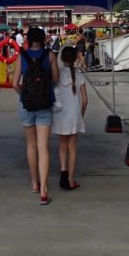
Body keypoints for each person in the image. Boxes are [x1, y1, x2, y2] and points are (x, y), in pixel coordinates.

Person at [13, 27, 59, 205]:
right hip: (45, 105)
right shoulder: (50, 55)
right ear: (43, 39)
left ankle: (34, 182)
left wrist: (25, 96)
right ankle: (44, 189)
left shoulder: (21, 56)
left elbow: (15, 83)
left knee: (31, 146)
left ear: (28, 39)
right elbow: (55, 79)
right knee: (43, 147)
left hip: (26, 105)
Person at [52, 46, 88, 191]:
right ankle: (71, 179)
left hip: (60, 113)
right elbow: (85, 100)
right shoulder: (79, 75)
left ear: (61, 59)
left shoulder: (58, 74)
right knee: (72, 147)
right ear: (75, 59)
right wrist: (81, 115)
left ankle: (63, 170)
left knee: (62, 145)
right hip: (74, 114)